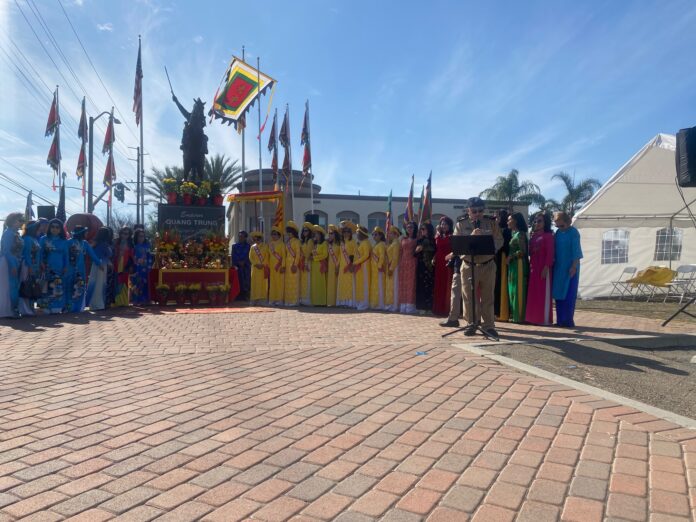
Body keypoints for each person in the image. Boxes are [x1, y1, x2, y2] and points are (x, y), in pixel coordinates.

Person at [449, 197, 503, 337]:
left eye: (480, 211)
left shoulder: (491, 223)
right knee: (469, 297)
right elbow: (457, 245)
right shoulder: (461, 224)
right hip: (468, 265)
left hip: (488, 264)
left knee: (488, 297)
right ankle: (471, 324)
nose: (478, 214)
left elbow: (499, 239)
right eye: (474, 211)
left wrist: (491, 247)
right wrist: (471, 237)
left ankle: (489, 326)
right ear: (468, 211)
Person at [553, 211, 583, 327]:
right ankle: (560, 321)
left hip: (571, 267)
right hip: (559, 267)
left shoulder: (573, 232)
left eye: (562, 225)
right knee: (559, 294)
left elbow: (576, 250)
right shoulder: (558, 233)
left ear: (567, 221)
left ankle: (568, 321)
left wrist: (574, 266)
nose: (560, 227)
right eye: (557, 225)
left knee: (569, 294)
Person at [526, 212, 555, 326]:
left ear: (545, 222)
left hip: (543, 268)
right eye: (535, 221)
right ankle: (534, 318)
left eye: (539, 221)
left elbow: (550, 253)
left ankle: (544, 319)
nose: (537, 223)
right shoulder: (534, 236)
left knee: (543, 293)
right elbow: (530, 252)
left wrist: (546, 267)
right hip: (533, 268)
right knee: (534, 294)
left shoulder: (548, 236)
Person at [66, 226, 102, 313]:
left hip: (80, 269)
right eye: (85, 232)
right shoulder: (69, 242)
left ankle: (77, 308)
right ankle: (68, 307)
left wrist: (99, 263)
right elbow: (65, 255)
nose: (87, 234)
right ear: (81, 233)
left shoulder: (84, 243)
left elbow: (92, 254)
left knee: (79, 287)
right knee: (69, 287)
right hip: (69, 269)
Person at [38, 218, 68, 314]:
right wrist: (41, 263)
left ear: (61, 229)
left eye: (57, 227)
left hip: (59, 268)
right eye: (52, 227)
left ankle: (57, 306)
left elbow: (66, 255)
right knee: (46, 288)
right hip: (46, 268)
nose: (55, 229)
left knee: (57, 287)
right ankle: (45, 307)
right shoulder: (44, 239)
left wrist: (66, 266)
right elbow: (39, 253)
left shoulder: (64, 241)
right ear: (49, 228)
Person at [0, 212, 25, 318]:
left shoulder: (16, 234)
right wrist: (12, 265)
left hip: (16, 262)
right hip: (7, 263)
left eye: (23, 220)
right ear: (12, 221)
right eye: (20, 220)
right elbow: (6, 251)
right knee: (9, 287)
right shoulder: (8, 233)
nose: (22, 222)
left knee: (14, 286)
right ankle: (7, 311)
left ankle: (12, 310)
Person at [507, 212, 529, 323]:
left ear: (515, 221)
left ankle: (519, 316)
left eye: (509, 219)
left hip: (519, 265)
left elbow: (523, 251)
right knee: (512, 290)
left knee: (518, 289)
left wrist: (511, 256)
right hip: (513, 265)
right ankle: (515, 315)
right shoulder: (514, 234)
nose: (507, 222)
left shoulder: (520, 234)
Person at [86, 227, 113, 311]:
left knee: (93, 282)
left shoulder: (95, 243)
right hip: (102, 264)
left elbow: (91, 252)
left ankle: (92, 304)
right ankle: (99, 304)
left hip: (95, 264)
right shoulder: (105, 244)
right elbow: (110, 254)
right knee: (100, 284)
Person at [18, 220, 41, 316]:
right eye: (38, 229)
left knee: (31, 286)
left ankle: (30, 308)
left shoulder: (34, 239)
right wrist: (30, 266)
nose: (40, 230)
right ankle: (24, 309)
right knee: (25, 285)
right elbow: (26, 254)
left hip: (33, 265)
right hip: (26, 265)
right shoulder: (27, 239)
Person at [432, 217, 453, 317]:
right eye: (442, 224)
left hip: (448, 262)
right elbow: (437, 248)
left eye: (445, 224)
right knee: (439, 284)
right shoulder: (438, 235)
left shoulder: (452, 235)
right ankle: (438, 308)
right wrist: (434, 257)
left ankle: (446, 309)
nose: (443, 226)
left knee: (447, 285)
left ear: (449, 225)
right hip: (439, 262)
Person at [494, 209, 511, 321]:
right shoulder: (497, 229)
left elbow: (505, 246)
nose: (495, 219)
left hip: (502, 259)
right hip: (496, 259)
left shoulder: (506, 231)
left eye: (497, 217)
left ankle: (500, 312)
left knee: (501, 285)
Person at [415, 222, 436, 312]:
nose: (422, 231)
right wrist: (417, 251)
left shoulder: (433, 240)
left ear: (429, 230)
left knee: (429, 286)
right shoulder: (419, 240)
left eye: (424, 229)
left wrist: (425, 248)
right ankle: (421, 307)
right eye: (421, 229)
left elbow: (435, 251)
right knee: (421, 286)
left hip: (430, 266)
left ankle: (429, 307)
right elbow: (414, 254)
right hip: (421, 266)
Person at [398, 222, 418, 314]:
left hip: (412, 262)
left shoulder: (417, 239)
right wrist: (399, 263)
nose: (409, 229)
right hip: (403, 262)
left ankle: (410, 305)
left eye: (411, 227)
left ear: (414, 229)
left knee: (411, 284)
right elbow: (400, 252)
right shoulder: (403, 239)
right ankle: (403, 305)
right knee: (403, 283)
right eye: (408, 227)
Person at [112, 227, 134, 307]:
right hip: (116, 264)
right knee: (117, 281)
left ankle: (124, 301)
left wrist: (131, 265)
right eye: (123, 233)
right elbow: (112, 252)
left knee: (124, 281)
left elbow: (132, 255)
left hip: (125, 265)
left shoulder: (130, 243)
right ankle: (117, 301)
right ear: (120, 233)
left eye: (127, 234)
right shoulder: (116, 241)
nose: (124, 235)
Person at [337, 221, 357, 307]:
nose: (346, 233)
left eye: (348, 231)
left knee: (349, 283)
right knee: (342, 283)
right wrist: (337, 265)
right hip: (342, 265)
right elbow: (340, 255)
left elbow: (354, 254)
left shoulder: (353, 242)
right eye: (344, 231)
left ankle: (349, 302)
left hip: (349, 265)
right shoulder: (342, 242)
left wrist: (351, 265)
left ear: (350, 233)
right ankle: (343, 302)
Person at [130, 229, 152, 306]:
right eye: (140, 236)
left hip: (145, 268)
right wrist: (136, 261)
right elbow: (132, 257)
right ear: (136, 237)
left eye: (143, 236)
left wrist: (149, 265)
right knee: (136, 283)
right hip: (137, 268)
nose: (141, 238)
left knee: (144, 283)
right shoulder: (134, 246)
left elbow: (150, 256)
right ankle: (136, 300)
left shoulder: (147, 246)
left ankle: (144, 300)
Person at [353, 225, 372, 310]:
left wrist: (356, 262)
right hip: (360, 266)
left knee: (364, 284)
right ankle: (360, 302)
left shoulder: (366, 243)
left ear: (362, 234)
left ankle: (364, 303)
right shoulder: (362, 243)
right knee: (360, 284)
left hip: (364, 266)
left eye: (357, 233)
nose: (356, 235)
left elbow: (366, 255)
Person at [248, 231, 269, 305]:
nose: (256, 241)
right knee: (254, 283)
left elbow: (267, 256)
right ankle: (254, 299)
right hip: (255, 268)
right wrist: (255, 264)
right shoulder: (252, 247)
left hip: (263, 268)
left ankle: (262, 299)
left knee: (263, 283)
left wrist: (263, 264)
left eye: (257, 239)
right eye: (254, 239)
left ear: (260, 239)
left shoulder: (265, 246)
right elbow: (250, 257)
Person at [283, 222, 301, 306]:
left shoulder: (297, 241)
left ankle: (294, 301)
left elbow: (298, 254)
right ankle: (288, 300)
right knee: (287, 283)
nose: (288, 234)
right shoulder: (287, 242)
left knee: (294, 283)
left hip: (293, 264)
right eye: (288, 232)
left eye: (290, 232)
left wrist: (295, 264)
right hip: (287, 263)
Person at [310, 225, 328, 306]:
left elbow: (325, 255)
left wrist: (315, 258)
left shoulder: (324, 243)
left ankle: (321, 302)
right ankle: (315, 301)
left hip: (320, 265)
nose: (316, 235)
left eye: (317, 234)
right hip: (314, 265)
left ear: (321, 234)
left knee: (320, 283)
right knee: (314, 283)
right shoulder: (315, 244)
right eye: (315, 234)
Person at [268, 226, 286, 306]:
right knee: (272, 283)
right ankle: (272, 299)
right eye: (272, 234)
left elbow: (284, 256)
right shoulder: (270, 244)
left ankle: (279, 299)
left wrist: (283, 266)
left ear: (279, 235)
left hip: (279, 266)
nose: (273, 236)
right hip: (272, 266)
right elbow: (268, 255)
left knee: (279, 283)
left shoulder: (282, 244)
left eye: (275, 234)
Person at [369, 226, 386, 310]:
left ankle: (380, 304)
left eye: (376, 234)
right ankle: (375, 303)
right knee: (375, 286)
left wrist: (379, 266)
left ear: (381, 235)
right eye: (373, 234)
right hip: (374, 269)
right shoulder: (376, 244)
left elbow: (382, 256)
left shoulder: (382, 244)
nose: (374, 236)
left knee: (379, 286)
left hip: (379, 269)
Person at [385, 226, 401, 312]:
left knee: (394, 286)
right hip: (390, 266)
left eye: (391, 233)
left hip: (394, 267)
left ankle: (394, 305)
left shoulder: (396, 243)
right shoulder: (393, 243)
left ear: (396, 234)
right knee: (390, 286)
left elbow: (395, 257)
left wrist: (391, 268)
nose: (389, 235)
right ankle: (390, 304)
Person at [232, 231, 251, 301]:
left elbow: (250, 256)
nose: (240, 238)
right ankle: (237, 295)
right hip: (237, 267)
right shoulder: (234, 246)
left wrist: (244, 262)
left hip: (246, 266)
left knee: (246, 281)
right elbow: (233, 256)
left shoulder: (249, 246)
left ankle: (245, 295)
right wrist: (238, 262)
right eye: (239, 236)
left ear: (245, 238)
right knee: (238, 280)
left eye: (242, 237)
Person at [326, 224, 341, 307]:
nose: (330, 235)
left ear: (336, 234)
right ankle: (331, 301)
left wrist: (337, 266)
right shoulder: (329, 244)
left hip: (336, 266)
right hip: (329, 266)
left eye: (331, 233)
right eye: (329, 233)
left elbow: (340, 256)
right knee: (330, 284)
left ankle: (336, 302)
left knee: (336, 284)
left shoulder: (339, 244)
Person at [299, 222, 314, 306]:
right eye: (304, 230)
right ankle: (302, 299)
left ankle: (307, 300)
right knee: (303, 281)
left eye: (306, 230)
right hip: (302, 261)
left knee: (307, 280)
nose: (305, 232)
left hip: (307, 262)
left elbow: (308, 253)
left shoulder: (310, 241)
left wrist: (305, 263)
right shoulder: (303, 241)